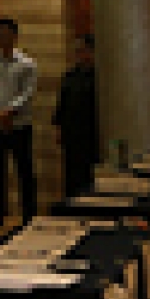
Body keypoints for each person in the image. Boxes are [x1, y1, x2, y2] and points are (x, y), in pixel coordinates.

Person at [0, 16, 39, 227]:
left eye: (6, 33)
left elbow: (27, 92)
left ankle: (29, 215)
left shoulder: (27, 64)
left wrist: (10, 111)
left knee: (24, 170)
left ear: (14, 35)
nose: (2, 37)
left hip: (19, 123)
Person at [52, 33, 98, 198]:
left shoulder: (98, 77)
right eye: (76, 51)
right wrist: (59, 128)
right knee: (71, 175)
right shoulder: (70, 76)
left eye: (82, 50)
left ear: (91, 51)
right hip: (71, 133)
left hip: (90, 134)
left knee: (89, 177)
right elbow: (62, 104)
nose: (78, 55)